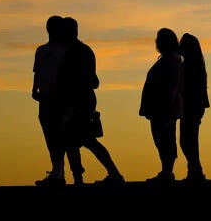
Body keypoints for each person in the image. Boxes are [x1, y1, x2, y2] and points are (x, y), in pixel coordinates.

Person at [59, 17, 125, 186]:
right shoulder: (84, 50)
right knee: (79, 140)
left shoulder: (74, 52)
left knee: (80, 140)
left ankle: (87, 177)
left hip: (79, 101)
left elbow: (84, 80)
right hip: (83, 100)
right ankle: (107, 174)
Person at [139, 28, 184, 184]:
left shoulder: (171, 60)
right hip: (160, 108)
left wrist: (166, 108)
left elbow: (171, 86)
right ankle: (166, 171)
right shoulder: (168, 60)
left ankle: (167, 172)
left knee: (165, 140)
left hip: (164, 109)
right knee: (162, 140)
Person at [32, 15, 71, 187]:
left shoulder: (66, 50)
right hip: (45, 99)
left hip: (61, 99)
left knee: (60, 134)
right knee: (50, 134)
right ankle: (57, 170)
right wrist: (34, 89)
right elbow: (37, 72)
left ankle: (59, 171)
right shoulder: (41, 50)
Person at [178, 33, 210, 183]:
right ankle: (194, 170)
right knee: (189, 140)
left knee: (187, 140)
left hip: (191, 106)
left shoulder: (188, 66)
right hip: (194, 105)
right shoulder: (196, 65)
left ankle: (195, 171)